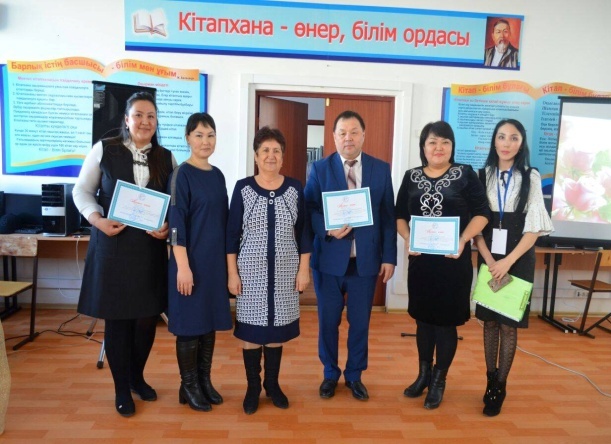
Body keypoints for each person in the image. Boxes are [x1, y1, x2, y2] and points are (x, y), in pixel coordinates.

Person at [73, 92, 176, 417]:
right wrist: (97, 220)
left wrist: (167, 226)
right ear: (127, 119)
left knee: (146, 319)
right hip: (113, 247)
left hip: (149, 250)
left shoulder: (166, 157)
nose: (145, 121)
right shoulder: (105, 149)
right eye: (139, 115)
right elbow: (82, 190)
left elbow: (174, 202)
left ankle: (136, 377)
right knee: (118, 320)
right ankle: (121, 389)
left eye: (151, 116)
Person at [395, 121, 489, 410]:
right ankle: (423, 374)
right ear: (423, 147)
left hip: (453, 263)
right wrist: (408, 238)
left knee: (445, 323)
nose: (439, 147)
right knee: (423, 321)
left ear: (452, 146)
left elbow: (482, 213)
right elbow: (399, 215)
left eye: (445, 142)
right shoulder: (411, 176)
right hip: (421, 263)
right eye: (432, 142)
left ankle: (438, 380)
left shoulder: (465, 174)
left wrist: (462, 240)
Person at [304, 110, 397, 402]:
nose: (348, 138)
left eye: (354, 132)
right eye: (342, 133)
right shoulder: (319, 169)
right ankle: (330, 374)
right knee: (327, 322)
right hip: (329, 262)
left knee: (360, 323)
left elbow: (388, 217)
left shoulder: (380, 169)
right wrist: (327, 228)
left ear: (363, 135)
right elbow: (309, 210)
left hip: (365, 262)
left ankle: (355, 375)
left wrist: (389, 257)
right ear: (334, 137)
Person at [226, 126, 312, 415]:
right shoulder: (243, 188)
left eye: (276, 151)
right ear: (256, 156)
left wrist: (303, 270)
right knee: (252, 332)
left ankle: (272, 384)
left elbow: (304, 233)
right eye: (265, 150)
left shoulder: (295, 188)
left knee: (277, 331)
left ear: (283, 157)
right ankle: (253, 387)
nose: (271, 156)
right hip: (250, 273)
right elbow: (231, 235)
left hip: (286, 272)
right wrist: (232, 273)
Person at [473, 119, 553, 417]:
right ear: (494, 141)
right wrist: (490, 260)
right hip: (489, 257)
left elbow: (534, 228)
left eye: (514, 138)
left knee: (508, 324)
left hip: (518, 259)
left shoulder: (531, 176)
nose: (507, 143)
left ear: (521, 143)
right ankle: (489, 378)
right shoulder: (481, 176)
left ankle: (500, 385)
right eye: (502, 137)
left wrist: (507, 261)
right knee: (489, 323)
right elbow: (477, 225)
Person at [167, 112, 233, 412]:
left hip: (213, 264)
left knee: (208, 323)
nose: (205, 141)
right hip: (189, 263)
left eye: (210, 135)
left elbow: (224, 221)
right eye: (199, 135)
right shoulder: (181, 174)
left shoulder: (217, 175)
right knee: (189, 325)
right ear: (188, 138)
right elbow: (176, 224)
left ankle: (204, 381)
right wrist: (183, 266)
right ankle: (189, 384)